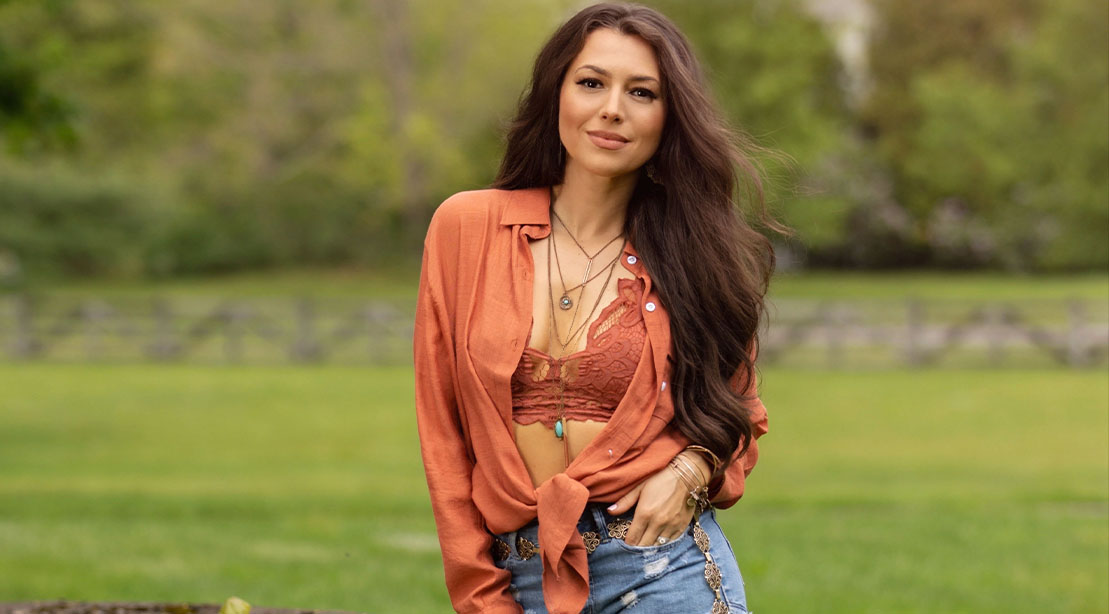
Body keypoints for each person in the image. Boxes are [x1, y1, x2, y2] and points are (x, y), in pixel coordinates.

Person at [413, 3, 782, 613]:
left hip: (664, 570)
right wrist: (480, 596)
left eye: (642, 92)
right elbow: (443, 439)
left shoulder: (694, 255)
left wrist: (689, 474)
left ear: (670, 117)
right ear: (556, 93)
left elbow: (740, 413)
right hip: (523, 572)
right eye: (591, 83)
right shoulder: (466, 228)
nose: (612, 108)